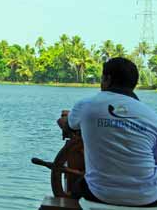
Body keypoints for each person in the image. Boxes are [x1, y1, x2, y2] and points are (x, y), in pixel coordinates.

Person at [57, 57, 157, 207]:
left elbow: (68, 126)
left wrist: (65, 119)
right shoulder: (151, 115)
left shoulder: (86, 105)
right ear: (134, 84)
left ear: (107, 79)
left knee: (76, 186)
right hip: (148, 198)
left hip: (100, 195)